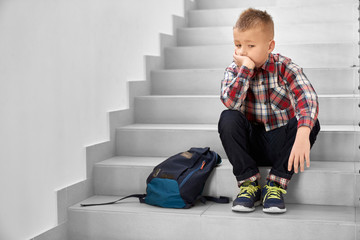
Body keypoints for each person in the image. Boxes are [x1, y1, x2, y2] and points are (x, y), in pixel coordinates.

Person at [218, 8, 320, 213]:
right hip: (250, 146)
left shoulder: (285, 67)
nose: (243, 51)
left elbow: (307, 98)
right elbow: (230, 102)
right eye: (238, 45)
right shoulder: (234, 70)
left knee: (310, 123)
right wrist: (245, 68)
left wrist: (302, 133)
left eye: (250, 45)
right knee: (228, 117)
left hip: (280, 147)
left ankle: (276, 185)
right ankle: (249, 185)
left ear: (269, 46)